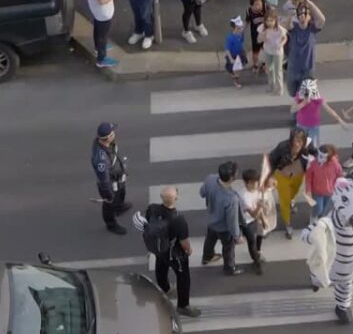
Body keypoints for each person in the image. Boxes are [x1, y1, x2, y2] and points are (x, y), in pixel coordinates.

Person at [138, 187, 201, 317]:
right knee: (183, 277)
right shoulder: (178, 219)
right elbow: (184, 242)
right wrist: (188, 250)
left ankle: (164, 288)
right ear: (176, 198)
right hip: (175, 253)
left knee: (161, 266)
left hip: (159, 249)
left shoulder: (152, 208)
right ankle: (183, 306)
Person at [263, 128, 313, 239]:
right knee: (284, 201)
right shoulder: (282, 147)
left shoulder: (307, 146)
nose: (297, 144)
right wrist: (269, 176)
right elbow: (271, 160)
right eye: (295, 141)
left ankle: (291, 201)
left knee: (293, 193)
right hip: (283, 176)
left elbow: (317, 154)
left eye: (300, 141)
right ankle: (287, 223)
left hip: (298, 176)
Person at [200, 161, 245, 276]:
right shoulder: (230, 199)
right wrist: (237, 236)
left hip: (211, 219)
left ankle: (207, 257)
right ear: (231, 178)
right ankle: (229, 268)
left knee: (210, 239)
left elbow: (202, 192)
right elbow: (232, 221)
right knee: (228, 248)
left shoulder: (210, 179)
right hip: (223, 227)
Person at [92, 122, 131, 235]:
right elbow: (104, 178)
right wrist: (108, 193)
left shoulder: (109, 143)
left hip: (118, 176)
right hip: (110, 183)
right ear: (108, 137)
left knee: (121, 192)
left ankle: (119, 207)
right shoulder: (100, 158)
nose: (114, 133)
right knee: (109, 203)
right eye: (112, 132)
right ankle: (111, 224)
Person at [285, 0, 326, 97]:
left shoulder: (312, 28)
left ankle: (302, 106)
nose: (302, 17)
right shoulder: (294, 28)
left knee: (304, 95)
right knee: (292, 91)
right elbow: (287, 26)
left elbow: (322, 19)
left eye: (305, 14)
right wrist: (290, 15)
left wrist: (310, 3)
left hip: (308, 69)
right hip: (293, 67)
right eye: (300, 15)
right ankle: (299, 101)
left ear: (309, 17)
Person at [291, 78, 347, 147]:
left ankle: (311, 155)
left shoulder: (318, 98)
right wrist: (303, 103)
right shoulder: (299, 96)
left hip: (314, 126)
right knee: (299, 144)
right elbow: (292, 109)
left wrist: (339, 120)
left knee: (313, 145)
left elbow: (329, 110)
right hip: (301, 125)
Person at [238, 168, 267, 274]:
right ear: (248, 183)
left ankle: (257, 253)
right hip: (246, 222)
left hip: (255, 220)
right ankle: (257, 262)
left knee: (259, 235)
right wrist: (260, 206)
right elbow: (253, 214)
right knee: (252, 242)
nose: (257, 184)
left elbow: (258, 211)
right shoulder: (243, 196)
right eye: (255, 182)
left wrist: (263, 220)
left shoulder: (257, 191)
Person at [305, 144, 343, 218]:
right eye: (319, 155)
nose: (319, 158)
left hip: (330, 193)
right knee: (318, 209)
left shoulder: (335, 165)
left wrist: (339, 190)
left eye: (322, 156)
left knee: (326, 210)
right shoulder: (313, 163)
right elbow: (308, 178)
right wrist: (308, 190)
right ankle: (314, 217)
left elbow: (340, 177)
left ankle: (321, 220)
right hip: (317, 192)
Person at [259, 8, 288, 95]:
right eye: (267, 21)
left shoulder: (280, 29)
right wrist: (264, 35)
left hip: (277, 52)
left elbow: (285, 38)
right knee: (269, 69)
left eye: (271, 21)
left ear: (275, 20)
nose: (269, 23)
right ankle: (271, 85)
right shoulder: (263, 28)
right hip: (268, 50)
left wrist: (281, 44)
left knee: (278, 70)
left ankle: (279, 89)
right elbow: (260, 40)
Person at [224, 17, 249, 89]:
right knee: (236, 70)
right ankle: (236, 81)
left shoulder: (241, 33)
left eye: (241, 28)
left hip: (240, 53)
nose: (240, 30)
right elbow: (227, 50)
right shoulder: (230, 38)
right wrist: (231, 58)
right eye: (238, 28)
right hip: (232, 55)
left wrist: (243, 49)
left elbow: (241, 42)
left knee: (240, 67)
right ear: (233, 28)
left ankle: (234, 74)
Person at [246, 0, 268, 74]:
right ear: (251, 5)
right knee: (255, 51)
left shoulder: (266, 8)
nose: (258, 6)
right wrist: (242, 30)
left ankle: (266, 65)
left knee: (267, 50)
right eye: (256, 5)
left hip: (266, 34)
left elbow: (272, 18)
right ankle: (255, 65)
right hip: (255, 34)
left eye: (259, 4)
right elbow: (247, 21)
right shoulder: (249, 11)